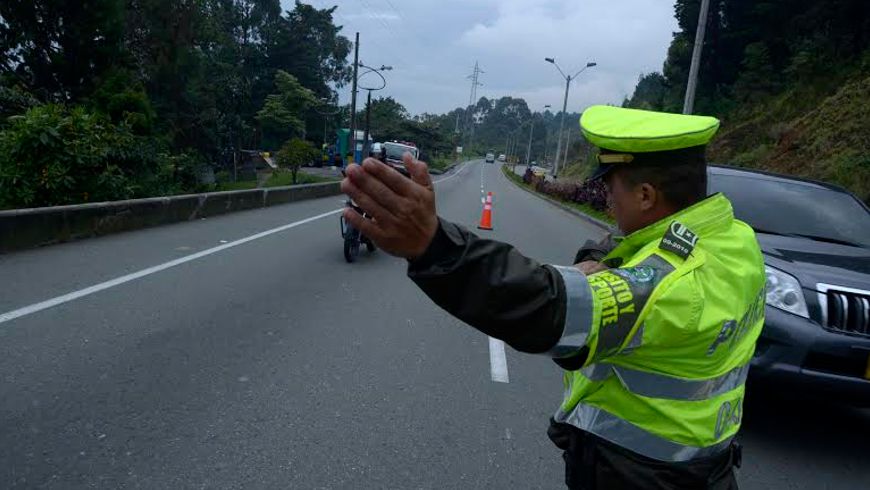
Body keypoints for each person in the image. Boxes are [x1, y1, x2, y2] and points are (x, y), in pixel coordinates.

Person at [340, 105, 765, 489]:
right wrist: (606, 258)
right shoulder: (734, 240)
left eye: (611, 189)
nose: (607, 200)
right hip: (706, 469)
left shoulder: (670, 286)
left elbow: (548, 308)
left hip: (640, 477)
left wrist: (434, 246)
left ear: (646, 195)